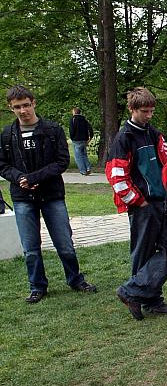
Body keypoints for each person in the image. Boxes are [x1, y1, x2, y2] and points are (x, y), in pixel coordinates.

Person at [0, 85, 97, 303]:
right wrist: (20, 178)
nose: (23, 110)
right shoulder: (7, 134)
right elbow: (3, 165)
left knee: (64, 243)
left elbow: (62, 161)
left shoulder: (53, 130)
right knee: (30, 247)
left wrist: (34, 178)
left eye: (26, 105)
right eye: (17, 107)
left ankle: (75, 279)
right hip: (22, 197)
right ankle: (37, 286)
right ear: (11, 108)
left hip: (51, 194)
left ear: (34, 103)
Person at [106, 87, 167, 320]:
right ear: (132, 109)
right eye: (144, 111)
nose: (149, 115)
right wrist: (137, 201)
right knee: (143, 253)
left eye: (151, 111)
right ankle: (148, 299)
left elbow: (166, 163)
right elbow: (116, 176)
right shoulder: (124, 138)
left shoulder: (154, 133)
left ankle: (133, 292)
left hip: (163, 202)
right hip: (143, 206)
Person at [69, 107, 94, 175]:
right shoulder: (84, 120)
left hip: (76, 140)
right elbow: (90, 129)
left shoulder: (73, 119)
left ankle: (83, 170)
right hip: (84, 140)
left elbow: (71, 130)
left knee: (78, 157)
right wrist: (90, 137)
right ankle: (88, 168)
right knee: (84, 155)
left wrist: (72, 137)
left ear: (74, 112)